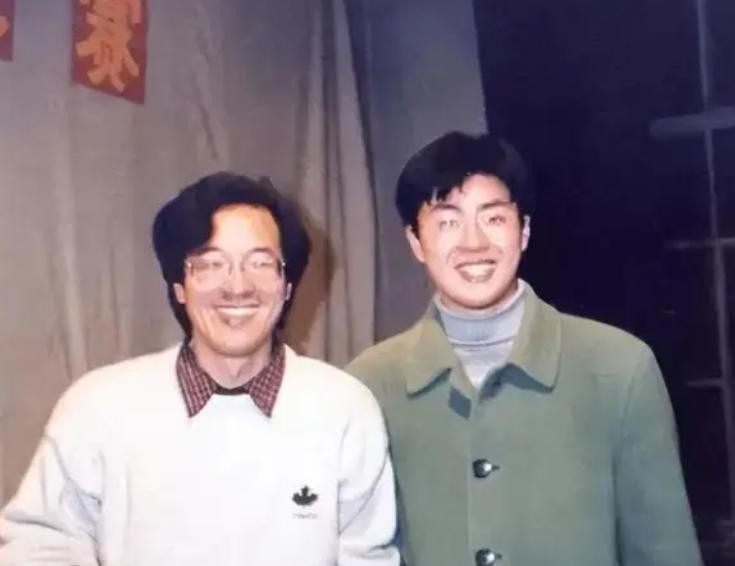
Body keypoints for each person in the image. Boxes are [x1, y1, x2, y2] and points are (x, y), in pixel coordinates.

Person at [0, 172, 398, 566]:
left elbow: (369, 558)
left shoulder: (344, 408)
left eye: (260, 263)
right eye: (210, 264)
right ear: (179, 285)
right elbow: (39, 544)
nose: (237, 286)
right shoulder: (98, 406)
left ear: (287, 285)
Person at [346, 132, 702, 566]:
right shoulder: (368, 385)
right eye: (448, 222)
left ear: (525, 231)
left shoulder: (618, 368)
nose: (474, 243)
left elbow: (665, 551)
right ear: (416, 242)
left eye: (494, 218)